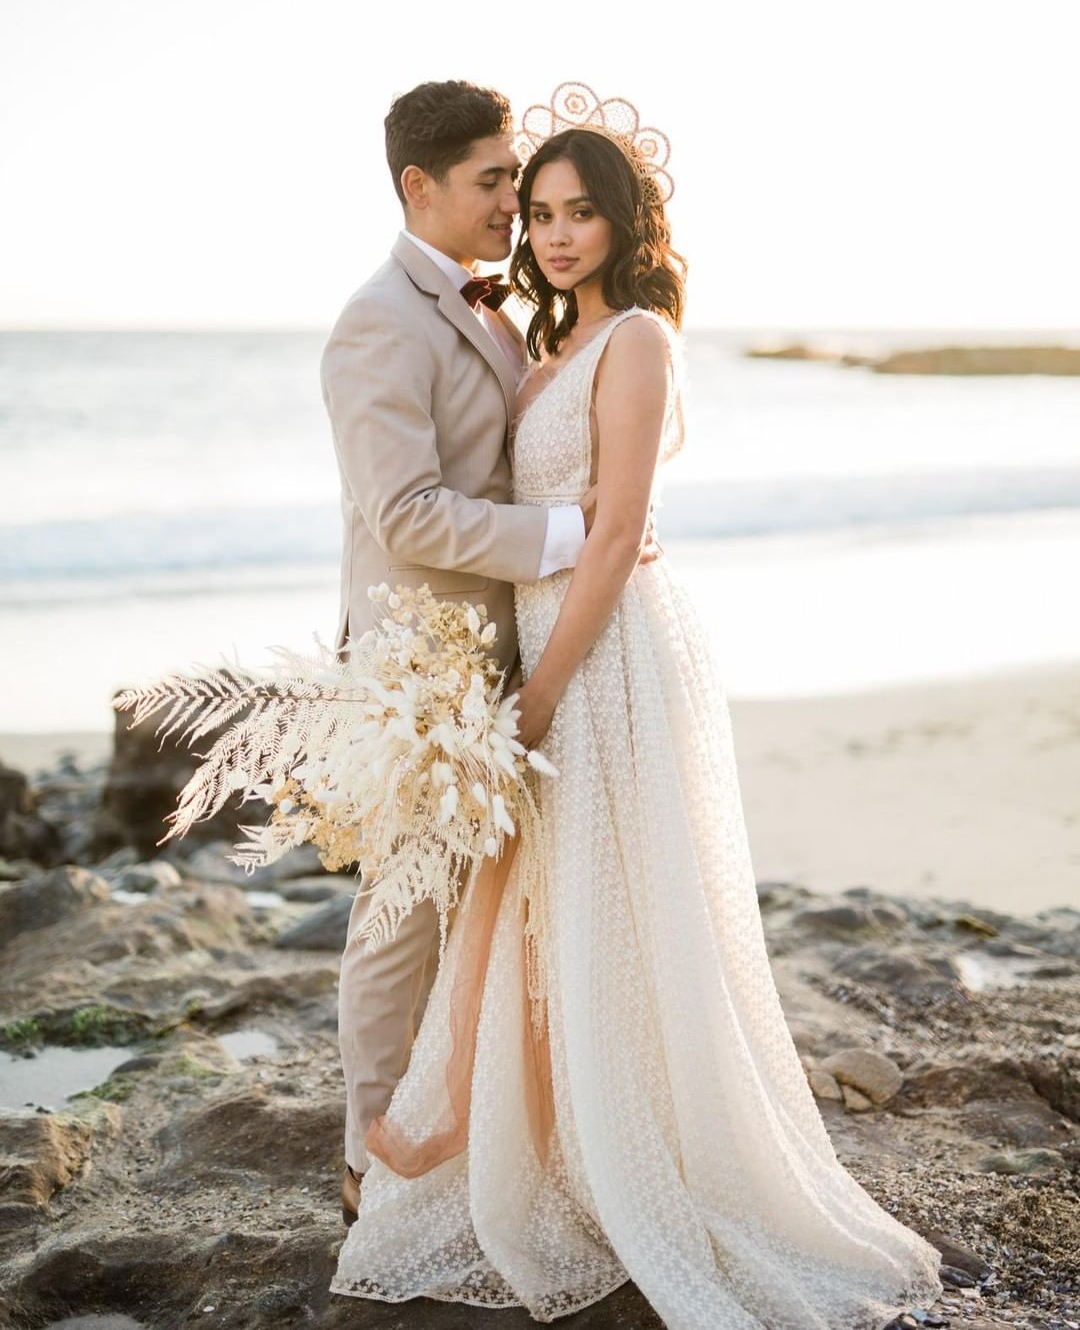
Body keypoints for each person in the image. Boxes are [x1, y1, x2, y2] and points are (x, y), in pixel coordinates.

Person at [330, 84, 946, 1327]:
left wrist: (544, 686)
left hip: (586, 656)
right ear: (426, 188)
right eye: (519, 197)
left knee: (604, 906)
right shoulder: (455, 330)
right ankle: (395, 1148)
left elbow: (617, 532)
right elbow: (418, 511)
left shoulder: (630, 340)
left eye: (565, 207)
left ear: (621, 221)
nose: (539, 226)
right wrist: (553, 591)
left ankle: (612, 1155)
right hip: (458, 650)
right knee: (449, 908)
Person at [320, 80, 661, 1227]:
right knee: (402, 907)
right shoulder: (379, 319)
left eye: (522, 183)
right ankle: (371, 1156)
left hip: (505, 649)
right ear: (421, 186)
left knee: (487, 912)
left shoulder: (504, 312)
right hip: (424, 665)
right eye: (494, 181)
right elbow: (407, 512)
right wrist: (574, 532)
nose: (516, 206)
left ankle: (475, 1140)